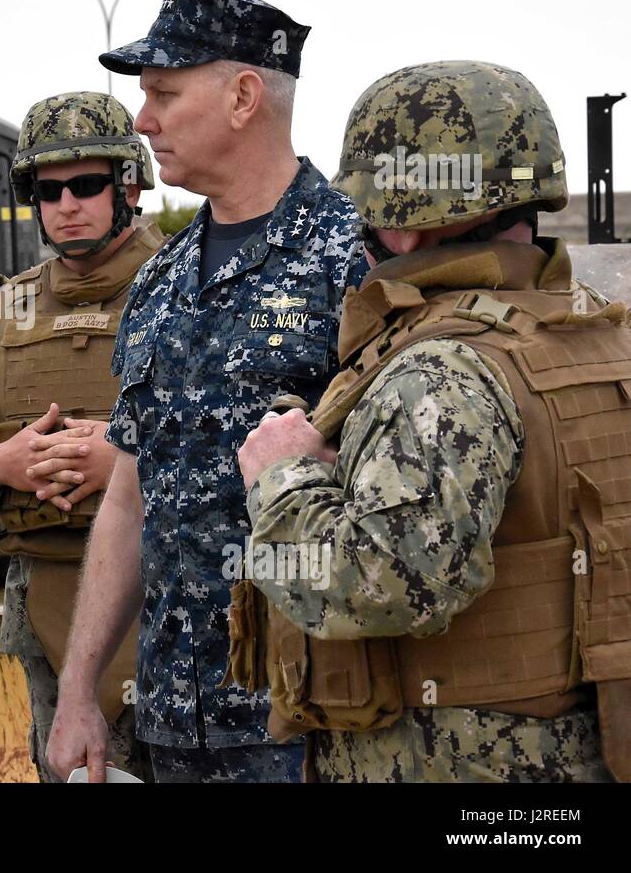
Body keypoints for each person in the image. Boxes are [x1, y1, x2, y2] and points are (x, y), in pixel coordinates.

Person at [235, 59, 629, 783]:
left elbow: (386, 581)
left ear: (407, 226)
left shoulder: (441, 371)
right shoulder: (606, 336)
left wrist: (281, 478)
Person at [45, 0, 366, 783]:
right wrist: (80, 690)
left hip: (308, 723)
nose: (143, 121)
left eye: (162, 94)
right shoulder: (160, 280)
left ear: (243, 97)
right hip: (171, 723)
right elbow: (128, 496)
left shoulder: (353, 262)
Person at [0, 91, 163, 781]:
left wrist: (126, 462)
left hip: (178, 611)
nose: (67, 204)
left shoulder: (197, 291)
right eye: (48, 189)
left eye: (87, 185)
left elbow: (268, 457)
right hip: (45, 616)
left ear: (129, 185)